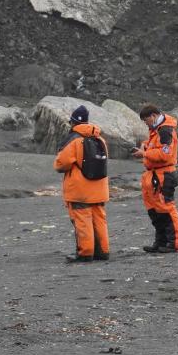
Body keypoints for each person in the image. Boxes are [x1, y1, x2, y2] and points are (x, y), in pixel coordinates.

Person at [52, 105, 110, 263]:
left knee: (82, 221)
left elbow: (60, 164)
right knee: (99, 220)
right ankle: (103, 252)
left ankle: (86, 253)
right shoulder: (100, 139)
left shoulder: (74, 140)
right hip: (99, 189)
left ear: (73, 122)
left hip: (80, 190)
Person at [132, 103, 178, 253]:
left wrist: (145, 154)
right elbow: (152, 144)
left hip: (164, 174)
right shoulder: (156, 130)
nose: (145, 123)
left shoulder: (166, 130)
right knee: (154, 210)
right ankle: (161, 241)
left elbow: (165, 154)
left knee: (166, 208)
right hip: (154, 174)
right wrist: (144, 146)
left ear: (153, 116)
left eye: (145, 120)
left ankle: (174, 242)